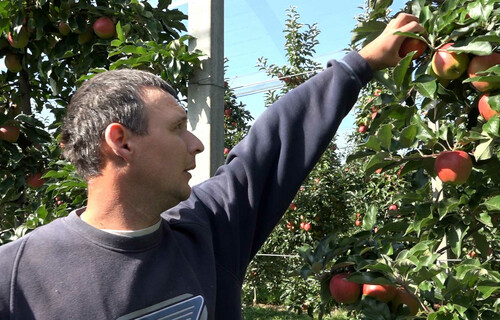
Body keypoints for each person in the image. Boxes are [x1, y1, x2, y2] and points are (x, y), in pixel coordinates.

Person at [0, 13, 423, 320]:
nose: (197, 143)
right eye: (178, 128)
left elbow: (271, 146)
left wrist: (360, 64)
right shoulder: (16, 275)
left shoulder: (206, 231)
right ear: (121, 142)